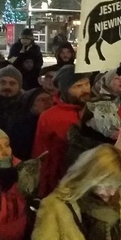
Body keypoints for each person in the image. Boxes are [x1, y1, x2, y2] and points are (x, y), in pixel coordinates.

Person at [33, 65, 93, 197]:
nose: (85, 90)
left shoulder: (98, 109)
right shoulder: (49, 117)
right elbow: (41, 155)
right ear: (65, 90)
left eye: (87, 84)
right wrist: (42, 191)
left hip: (94, 180)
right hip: (62, 182)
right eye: (78, 86)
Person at [8, 88, 54, 161]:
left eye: (50, 99)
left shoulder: (54, 122)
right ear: (30, 105)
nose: (48, 103)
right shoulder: (20, 127)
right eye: (42, 100)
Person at [0, 65, 26, 133]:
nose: (7, 87)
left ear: (19, 87)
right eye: (2, 82)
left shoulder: (27, 105)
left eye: (12, 83)